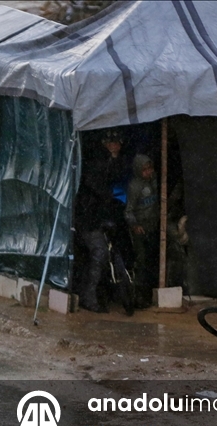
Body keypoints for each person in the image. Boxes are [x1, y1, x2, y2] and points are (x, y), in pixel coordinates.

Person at [74, 130, 129, 313]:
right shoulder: (97, 163)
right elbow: (96, 187)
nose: (117, 146)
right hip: (89, 220)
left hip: (99, 218)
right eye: (113, 142)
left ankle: (104, 294)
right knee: (99, 254)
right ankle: (88, 298)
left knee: (108, 256)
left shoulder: (111, 163)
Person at [125, 154, 159, 308]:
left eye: (150, 168)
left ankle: (149, 293)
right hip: (141, 228)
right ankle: (138, 296)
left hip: (154, 226)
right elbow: (128, 211)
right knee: (141, 261)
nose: (148, 172)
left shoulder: (154, 181)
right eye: (144, 169)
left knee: (152, 260)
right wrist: (135, 225)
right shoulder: (134, 186)